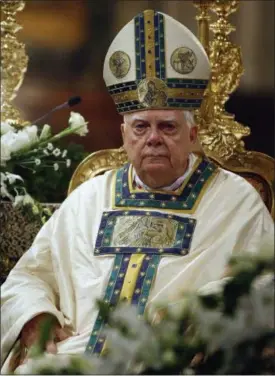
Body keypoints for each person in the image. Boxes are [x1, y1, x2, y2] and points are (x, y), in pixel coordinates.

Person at [1, 9, 273, 373]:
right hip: (76, 357)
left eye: (168, 127)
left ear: (193, 135)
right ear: (124, 134)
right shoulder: (88, 199)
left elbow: (263, 287)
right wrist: (34, 316)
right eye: (141, 127)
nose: (154, 139)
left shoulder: (235, 201)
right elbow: (29, 277)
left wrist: (198, 318)